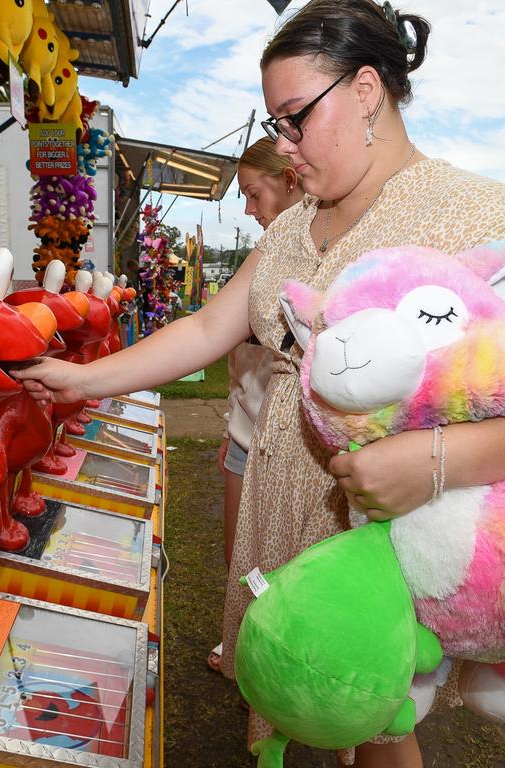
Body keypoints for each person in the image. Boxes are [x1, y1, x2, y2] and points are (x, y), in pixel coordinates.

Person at [15, 2, 505, 765]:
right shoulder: (295, 223)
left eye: (295, 119)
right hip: (280, 498)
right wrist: (82, 379)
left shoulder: (473, 212)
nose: (284, 147)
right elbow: (206, 330)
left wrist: (433, 462)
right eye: (276, 124)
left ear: (364, 91)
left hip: (379, 521)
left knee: (379, 719)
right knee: (293, 694)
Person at [208, 137, 304, 673]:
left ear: (288, 181)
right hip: (247, 436)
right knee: (239, 560)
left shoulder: (315, 258)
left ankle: (278, 659)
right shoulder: (266, 259)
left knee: (288, 568)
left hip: (290, 450)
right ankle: (246, 644)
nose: (248, 208)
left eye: (252, 193)